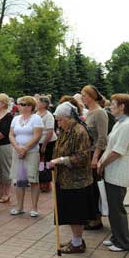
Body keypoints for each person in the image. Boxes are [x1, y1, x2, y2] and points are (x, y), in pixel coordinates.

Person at [49, 102, 96, 254]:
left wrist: (62, 161)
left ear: (69, 118)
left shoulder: (79, 131)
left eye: (60, 119)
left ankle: (77, 243)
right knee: (70, 212)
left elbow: (82, 156)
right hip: (65, 179)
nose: (58, 123)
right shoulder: (66, 129)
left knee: (76, 214)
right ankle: (77, 239)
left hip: (77, 181)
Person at [97, 94, 129, 252]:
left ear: (123, 106)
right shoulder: (119, 123)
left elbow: (118, 151)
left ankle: (123, 242)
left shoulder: (127, 125)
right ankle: (116, 237)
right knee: (112, 206)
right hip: (112, 171)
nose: (111, 106)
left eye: (114, 104)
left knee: (117, 208)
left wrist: (102, 164)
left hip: (118, 172)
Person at [9, 96, 43, 217]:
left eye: (23, 104)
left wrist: (25, 148)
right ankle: (19, 207)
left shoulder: (36, 118)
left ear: (30, 106)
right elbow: (11, 134)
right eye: (19, 104)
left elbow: (37, 136)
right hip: (17, 151)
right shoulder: (16, 118)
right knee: (19, 180)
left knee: (33, 179)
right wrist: (17, 148)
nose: (20, 106)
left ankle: (34, 208)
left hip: (31, 152)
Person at [81, 85, 108, 230]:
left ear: (91, 96)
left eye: (84, 95)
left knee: (94, 187)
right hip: (87, 153)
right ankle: (91, 215)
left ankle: (96, 218)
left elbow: (102, 138)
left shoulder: (100, 113)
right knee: (88, 187)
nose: (82, 98)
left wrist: (96, 157)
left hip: (95, 154)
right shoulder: (89, 112)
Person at [36, 96, 57, 192]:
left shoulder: (49, 116)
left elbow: (50, 132)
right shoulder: (37, 113)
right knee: (40, 163)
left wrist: (44, 145)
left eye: (38, 102)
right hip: (38, 142)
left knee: (47, 162)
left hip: (48, 142)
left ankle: (47, 183)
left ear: (44, 104)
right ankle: (41, 181)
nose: (36, 103)